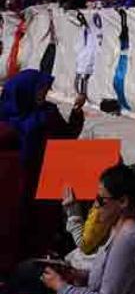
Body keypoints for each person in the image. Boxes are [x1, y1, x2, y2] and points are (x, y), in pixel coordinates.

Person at [41, 162, 135, 294]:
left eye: (101, 200)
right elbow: (113, 278)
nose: (95, 206)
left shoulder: (129, 238)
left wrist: (60, 286)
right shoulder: (118, 228)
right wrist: (77, 274)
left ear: (123, 201)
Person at [0, 70, 85, 258]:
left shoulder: (48, 114)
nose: (44, 94)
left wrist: (76, 113)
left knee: (43, 226)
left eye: (46, 90)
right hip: (15, 183)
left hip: (44, 180)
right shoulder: (5, 120)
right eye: (41, 90)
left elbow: (67, 136)